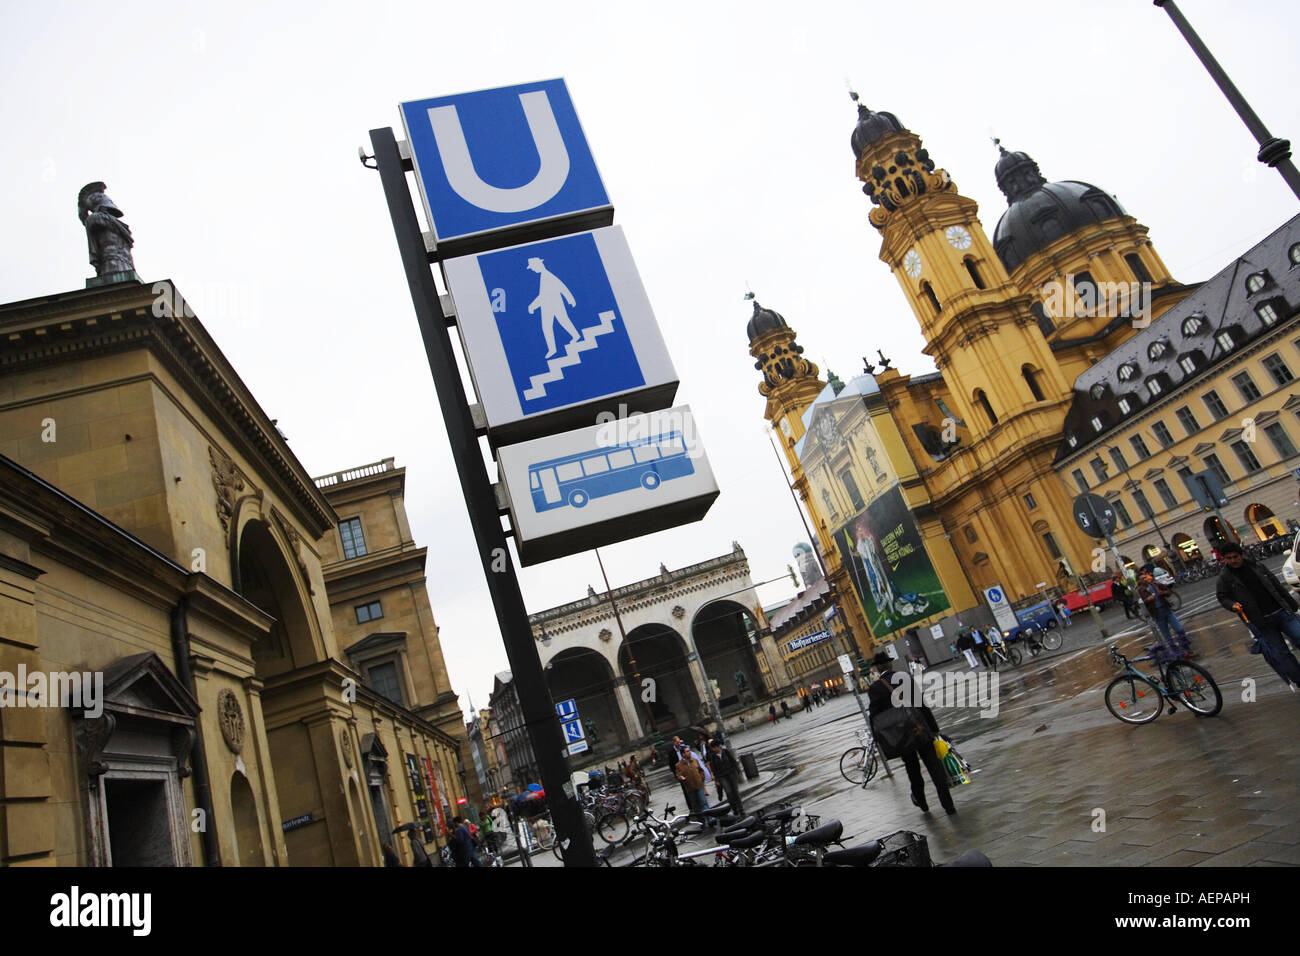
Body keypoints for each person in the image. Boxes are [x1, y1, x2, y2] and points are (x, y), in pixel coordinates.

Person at [867, 654, 955, 816]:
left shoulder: (875, 689)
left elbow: (874, 717)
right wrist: (933, 727)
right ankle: (948, 805)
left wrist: (878, 739)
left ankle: (921, 801)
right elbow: (921, 703)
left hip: (900, 735)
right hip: (919, 727)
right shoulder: (905, 678)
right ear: (891, 665)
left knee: (912, 767)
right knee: (934, 766)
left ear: (877, 669)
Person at [1216, 541, 1300, 689]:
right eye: (1228, 558)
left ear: (1241, 555)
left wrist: (1291, 605)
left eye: (1235, 556)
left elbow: (1275, 585)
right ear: (1223, 559)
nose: (1232, 561)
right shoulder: (1225, 577)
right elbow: (1222, 597)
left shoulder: (1256, 566)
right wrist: (1232, 605)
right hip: (1261, 622)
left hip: (1281, 612)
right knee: (1282, 654)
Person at [1135, 571, 1193, 659]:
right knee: (1167, 635)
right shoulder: (1140, 590)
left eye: (1145, 577)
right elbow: (1139, 603)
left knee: (1179, 629)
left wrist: (1164, 593)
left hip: (1166, 609)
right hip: (1157, 614)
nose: (1145, 579)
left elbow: (1168, 591)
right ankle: (1177, 653)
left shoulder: (1154, 584)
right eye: (1142, 578)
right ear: (1139, 581)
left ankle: (1186, 647)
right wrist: (1147, 599)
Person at [707, 739, 745, 815]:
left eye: (714, 748)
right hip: (722, 776)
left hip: (731, 773)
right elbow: (714, 768)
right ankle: (734, 809)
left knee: (736, 792)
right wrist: (716, 779)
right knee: (729, 792)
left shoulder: (725, 752)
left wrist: (739, 770)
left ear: (718, 747)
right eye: (712, 748)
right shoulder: (713, 756)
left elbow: (733, 761)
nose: (714, 750)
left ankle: (741, 809)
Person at [674, 745, 709, 817]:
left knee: (704, 803)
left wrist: (701, 778)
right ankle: (702, 821)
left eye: (689, 751)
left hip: (699, 785)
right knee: (696, 806)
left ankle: (710, 819)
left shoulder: (694, 761)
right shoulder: (678, 765)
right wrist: (681, 778)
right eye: (687, 751)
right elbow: (678, 775)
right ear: (683, 754)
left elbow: (701, 770)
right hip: (690, 788)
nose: (689, 752)